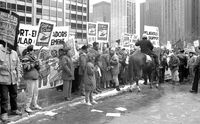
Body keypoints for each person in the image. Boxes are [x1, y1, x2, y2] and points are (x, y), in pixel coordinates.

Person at [0, 41, 22, 122]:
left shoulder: (14, 53)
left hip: (13, 78)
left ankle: (14, 109)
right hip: (3, 79)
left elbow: (18, 65)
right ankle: (4, 113)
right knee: (4, 97)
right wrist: (1, 66)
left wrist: (18, 75)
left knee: (14, 95)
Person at [22, 45, 42, 113]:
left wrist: (38, 64)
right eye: (34, 50)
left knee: (36, 92)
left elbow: (37, 67)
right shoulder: (25, 57)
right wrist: (34, 63)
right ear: (30, 51)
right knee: (29, 93)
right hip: (29, 77)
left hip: (35, 77)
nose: (35, 51)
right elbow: (26, 67)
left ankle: (34, 104)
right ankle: (27, 107)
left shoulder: (34, 57)